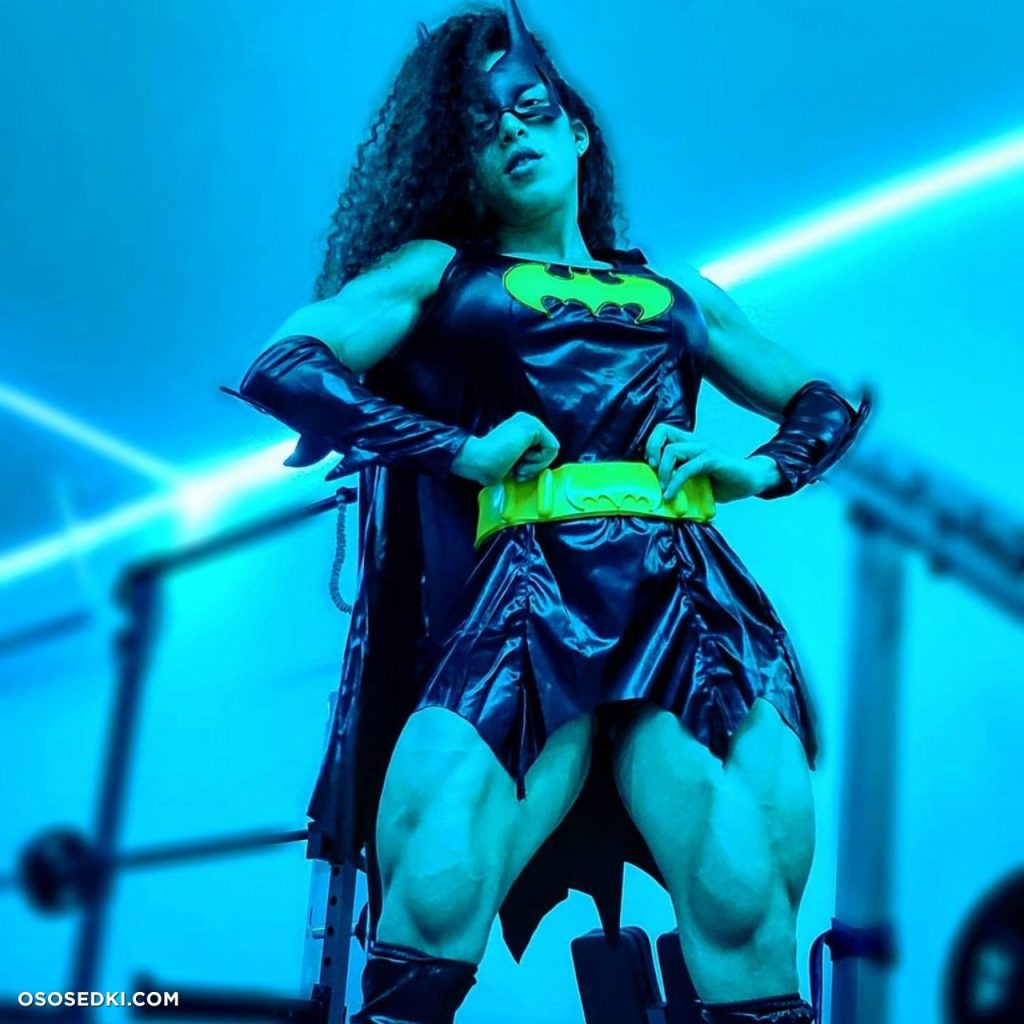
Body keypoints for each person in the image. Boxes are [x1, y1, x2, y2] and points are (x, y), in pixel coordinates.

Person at [225, 2, 871, 1022]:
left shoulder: (676, 292)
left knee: (743, 898)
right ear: (464, 168)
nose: (512, 135)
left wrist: (755, 469)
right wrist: (459, 448)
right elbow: (285, 366)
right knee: (432, 889)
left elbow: (821, 401)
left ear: (576, 131)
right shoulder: (440, 273)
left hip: (682, 599)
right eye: (483, 130)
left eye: (530, 111)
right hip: (523, 599)